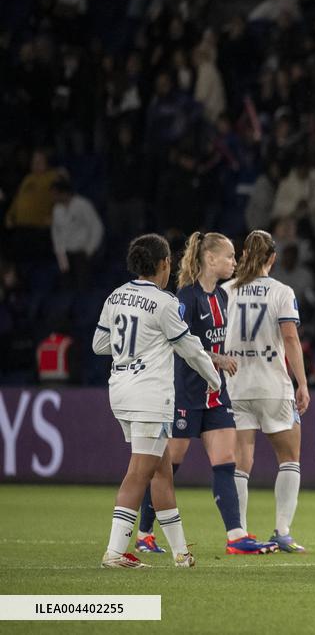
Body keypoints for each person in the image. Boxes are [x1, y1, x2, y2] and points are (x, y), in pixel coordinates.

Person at [134, 233, 277, 556]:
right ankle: (144, 532)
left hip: (215, 394)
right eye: (228, 256)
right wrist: (217, 359)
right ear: (210, 260)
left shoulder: (223, 298)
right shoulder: (186, 297)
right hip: (185, 393)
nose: (234, 262)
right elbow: (179, 343)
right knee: (168, 467)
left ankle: (236, 536)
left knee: (226, 462)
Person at [93, 234, 220, 569]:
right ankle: (115, 551)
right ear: (164, 264)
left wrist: (133, 347)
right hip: (148, 395)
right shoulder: (164, 303)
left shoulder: (115, 295)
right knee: (139, 471)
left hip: (120, 389)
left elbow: (99, 344)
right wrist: (214, 378)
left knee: (161, 471)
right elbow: (189, 346)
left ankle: (181, 554)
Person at [224, 230, 310, 552]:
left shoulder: (226, 291)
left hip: (236, 385)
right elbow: (290, 339)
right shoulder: (281, 292)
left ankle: (240, 533)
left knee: (240, 462)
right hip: (273, 385)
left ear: (244, 254)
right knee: (289, 458)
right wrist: (302, 383)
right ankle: (283, 531)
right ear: (272, 258)